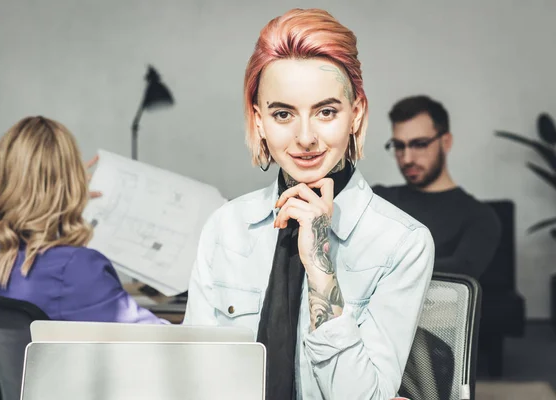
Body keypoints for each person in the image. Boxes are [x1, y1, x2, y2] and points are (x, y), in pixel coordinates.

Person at [183, 8, 434, 399]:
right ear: (259, 121)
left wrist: (320, 267)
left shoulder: (402, 243)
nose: (305, 137)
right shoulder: (225, 227)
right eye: (283, 114)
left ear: (356, 114)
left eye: (326, 112)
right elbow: (194, 380)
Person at [0, 116, 167, 324]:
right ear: (72, 186)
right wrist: (68, 191)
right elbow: (158, 342)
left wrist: (64, 188)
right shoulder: (77, 269)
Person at [373, 95, 501, 280]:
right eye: (399, 146)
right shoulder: (377, 199)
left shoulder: (480, 217)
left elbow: (457, 278)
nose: (407, 158)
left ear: (446, 142)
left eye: (420, 144)